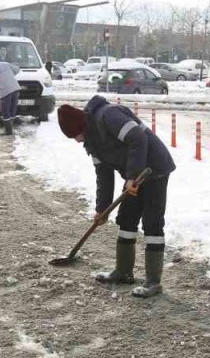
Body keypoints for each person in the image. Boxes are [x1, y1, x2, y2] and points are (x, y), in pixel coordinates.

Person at [57, 97, 175, 297]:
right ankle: (123, 272)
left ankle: (153, 282)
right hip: (135, 173)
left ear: (82, 125)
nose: (78, 140)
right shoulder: (92, 140)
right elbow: (103, 175)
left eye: (77, 135)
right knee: (127, 218)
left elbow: (138, 138)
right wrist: (101, 209)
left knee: (152, 223)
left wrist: (132, 176)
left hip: (154, 168)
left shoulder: (108, 116)